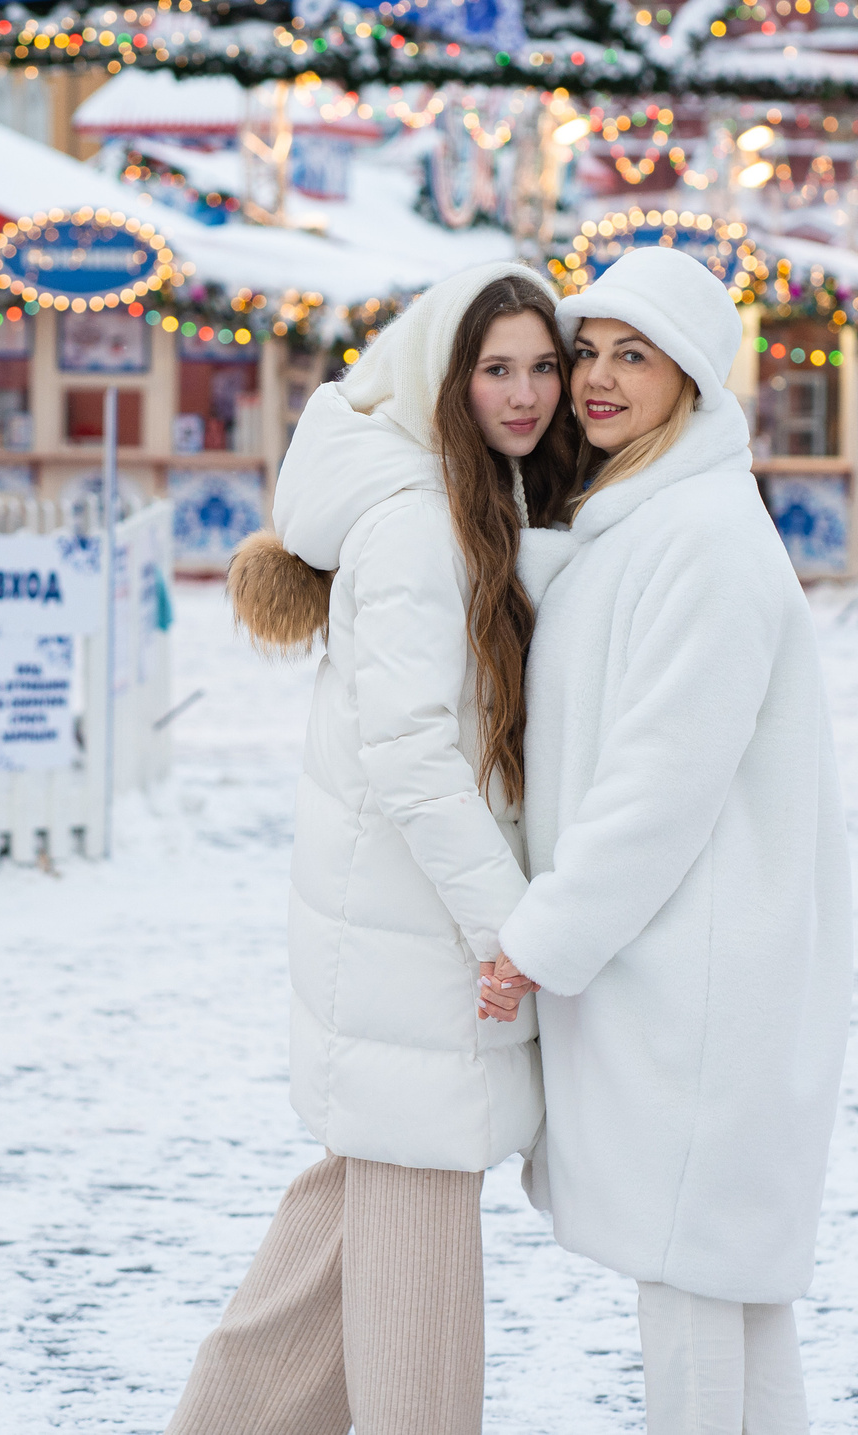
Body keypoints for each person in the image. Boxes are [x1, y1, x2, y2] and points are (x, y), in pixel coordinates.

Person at [177, 263, 577, 1435]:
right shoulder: (419, 521)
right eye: (495, 369)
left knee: (329, 1257)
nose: (525, 394)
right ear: (444, 378)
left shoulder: (471, 494)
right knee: (419, 1311)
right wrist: (508, 929)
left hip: (396, 938)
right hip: (419, 948)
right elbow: (408, 752)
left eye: (541, 368)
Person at [478, 246, 851, 1435]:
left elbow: (660, 784)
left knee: (689, 1278)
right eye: (587, 351)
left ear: (689, 375)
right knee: (729, 1284)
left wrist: (541, 938)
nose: (596, 377)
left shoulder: (701, 536)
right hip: (679, 963)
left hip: (698, 977)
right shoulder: (649, 521)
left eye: (632, 356)